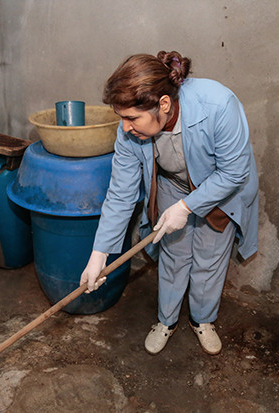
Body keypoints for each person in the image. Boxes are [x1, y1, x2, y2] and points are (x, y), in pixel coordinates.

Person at [79, 51, 259, 356]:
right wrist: (99, 254)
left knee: (210, 257)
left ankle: (203, 320)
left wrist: (188, 207)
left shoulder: (218, 105)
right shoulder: (128, 134)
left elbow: (234, 172)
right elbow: (121, 194)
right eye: (121, 118)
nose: (124, 128)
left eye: (132, 118)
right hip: (173, 186)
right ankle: (166, 320)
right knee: (174, 254)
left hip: (221, 187)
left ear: (163, 104)